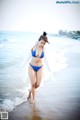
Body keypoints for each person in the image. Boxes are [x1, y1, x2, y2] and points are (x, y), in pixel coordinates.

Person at [24, 32, 50, 103]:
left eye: (44, 43)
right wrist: (23, 66)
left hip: (40, 67)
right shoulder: (33, 46)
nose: (42, 44)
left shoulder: (44, 48)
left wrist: (49, 68)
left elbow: (46, 59)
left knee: (38, 84)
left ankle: (30, 91)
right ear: (38, 41)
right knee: (32, 84)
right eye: (41, 42)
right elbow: (27, 56)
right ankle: (33, 98)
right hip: (31, 67)